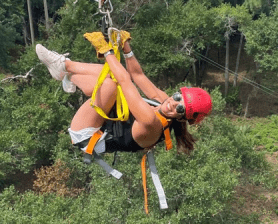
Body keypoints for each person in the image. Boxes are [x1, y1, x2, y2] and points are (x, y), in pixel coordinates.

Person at [36, 31, 212, 155]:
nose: (173, 103)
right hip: (104, 120)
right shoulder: (164, 102)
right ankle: (66, 71)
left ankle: (65, 68)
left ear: (181, 118)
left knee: (112, 84)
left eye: (180, 109)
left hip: (87, 135)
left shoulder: (151, 122)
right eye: (177, 97)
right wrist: (126, 47)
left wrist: (106, 51)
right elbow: (138, 75)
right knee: (111, 77)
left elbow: (125, 80)